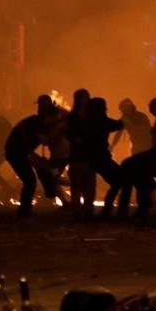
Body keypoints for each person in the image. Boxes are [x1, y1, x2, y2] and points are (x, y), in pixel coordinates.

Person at [102, 137, 156, 219]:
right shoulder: (151, 159)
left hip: (139, 172)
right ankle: (115, 213)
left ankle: (140, 213)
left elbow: (155, 172)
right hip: (128, 168)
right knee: (125, 190)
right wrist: (153, 185)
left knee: (142, 192)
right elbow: (148, 173)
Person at [4, 101, 59, 217]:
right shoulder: (36, 123)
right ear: (47, 116)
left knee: (41, 171)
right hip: (15, 152)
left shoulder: (40, 123)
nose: (55, 120)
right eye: (54, 117)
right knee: (30, 180)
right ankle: (24, 211)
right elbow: (45, 140)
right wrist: (59, 129)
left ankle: (48, 193)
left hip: (23, 152)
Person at [80, 97, 124, 216]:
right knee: (119, 180)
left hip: (86, 157)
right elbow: (118, 125)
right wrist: (126, 117)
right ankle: (106, 210)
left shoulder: (85, 121)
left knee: (88, 186)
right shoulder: (102, 120)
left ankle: (87, 212)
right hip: (101, 157)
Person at [64, 89, 92, 217]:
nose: (86, 100)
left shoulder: (92, 115)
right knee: (76, 183)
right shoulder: (73, 116)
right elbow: (66, 132)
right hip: (76, 154)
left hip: (89, 153)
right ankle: (76, 210)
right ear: (78, 99)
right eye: (83, 98)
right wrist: (75, 138)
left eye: (87, 97)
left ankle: (88, 209)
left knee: (89, 184)